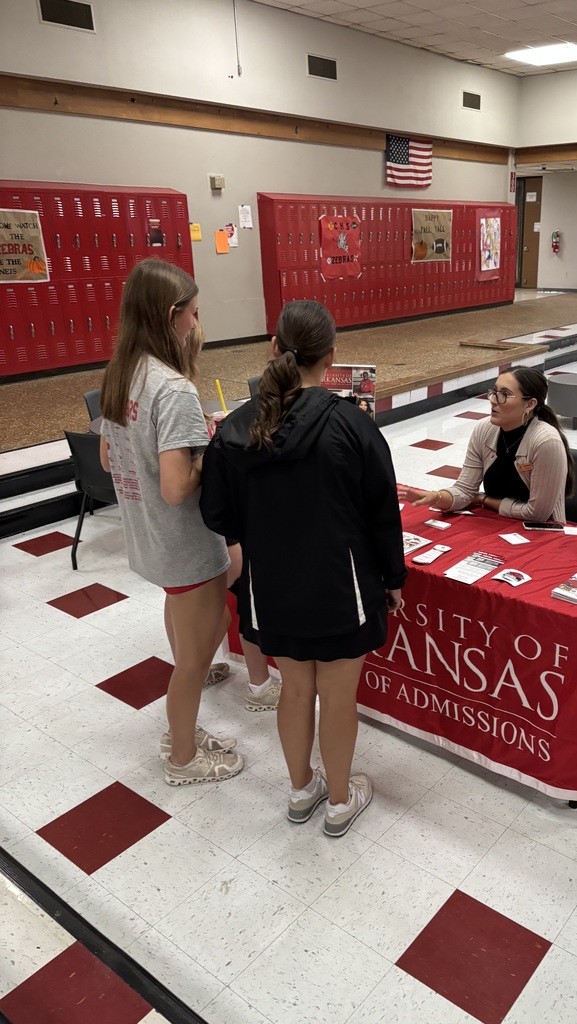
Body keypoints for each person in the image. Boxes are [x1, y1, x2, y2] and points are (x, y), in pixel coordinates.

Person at [200, 300, 406, 836]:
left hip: (271, 585)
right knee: (338, 696)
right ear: (332, 356)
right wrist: (393, 579)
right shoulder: (352, 426)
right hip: (343, 586)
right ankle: (340, 801)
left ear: (273, 349)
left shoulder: (235, 430)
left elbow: (217, 513)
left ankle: (300, 790)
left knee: (294, 690)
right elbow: (384, 514)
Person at [100, 258, 243, 786]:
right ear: (171, 314)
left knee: (188, 642)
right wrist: (213, 447)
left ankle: (184, 732)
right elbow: (177, 486)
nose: (197, 323)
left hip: (148, 537)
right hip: (184, 543)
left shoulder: (122, 371)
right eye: (195, 312)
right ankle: (182, 756)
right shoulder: (172, 388)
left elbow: (107, 459)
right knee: (197, 656)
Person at [186, 321, 282, 710]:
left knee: (219, 607)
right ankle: (252, 683)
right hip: (225, 528)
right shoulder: (177, 394)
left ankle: (203, 669)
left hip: (204, 525)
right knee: (238, 607)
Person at [398, 366, 574, 523]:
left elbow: (537, 514)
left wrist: (483, 500)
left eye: (504, 394)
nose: (493, 400)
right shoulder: (484, 430)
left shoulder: (545, 441)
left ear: (530, 404)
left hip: (540, 532)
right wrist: (435, 497)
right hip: (495, 521)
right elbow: (465, 491)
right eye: (494, 391)